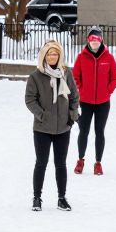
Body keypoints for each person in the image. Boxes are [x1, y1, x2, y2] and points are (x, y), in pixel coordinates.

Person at [25, 40, 79, 212]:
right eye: (49, 54)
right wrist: (42, 115)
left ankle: (62, 198)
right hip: (42, 128)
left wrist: (71, 116)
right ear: (44, 56)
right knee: (41, 163)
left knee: (61, 164)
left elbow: (74, 97)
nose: (52, 57)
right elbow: (30, 99)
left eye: (55, 54)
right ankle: (37, 197)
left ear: (60, 56)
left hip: (63, 127)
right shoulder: (36, 76)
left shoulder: (66, 74)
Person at [72, 26, 116, 176]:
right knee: (83, 131)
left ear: (101, 40)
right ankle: (80, 160)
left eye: (97, 39)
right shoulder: (81, 57)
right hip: (85, 102)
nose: (94, 41)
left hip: (103, 103)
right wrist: (81, 90)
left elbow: (115, 78)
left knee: (100, 132)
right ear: (88, 40)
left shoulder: (109, 58)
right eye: (92, 39)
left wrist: (107, 91)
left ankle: (98, 163)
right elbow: (75, 78)